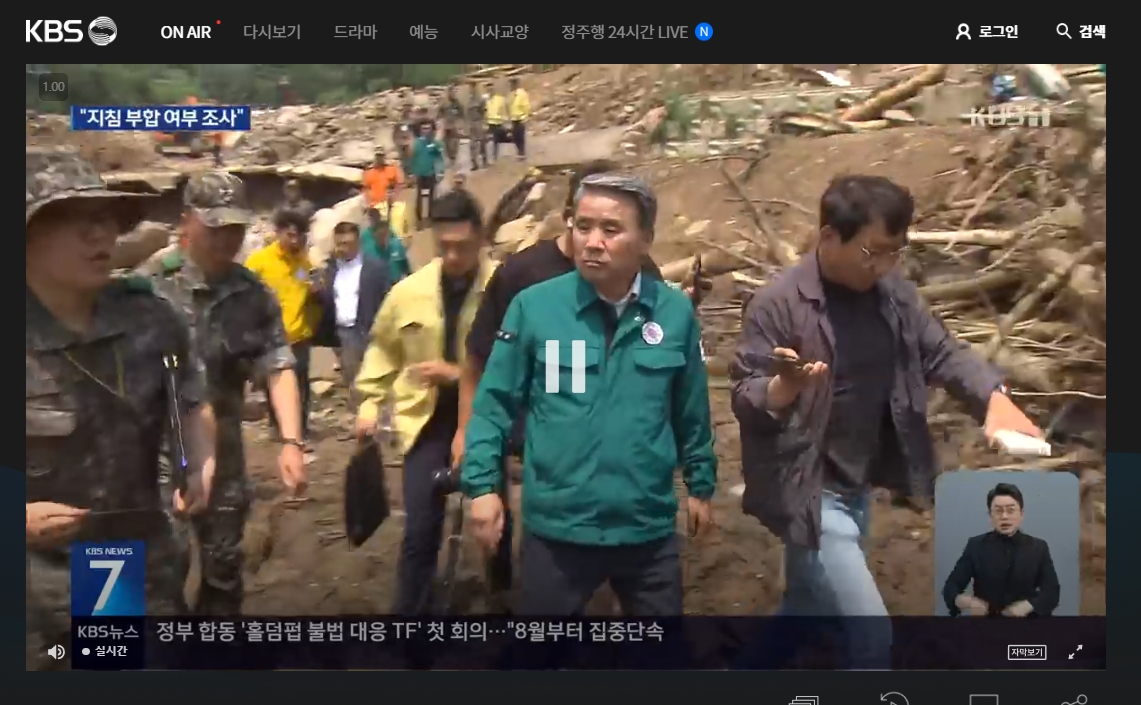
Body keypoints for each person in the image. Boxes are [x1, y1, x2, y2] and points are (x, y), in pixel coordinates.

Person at [729, 174, 1043, 668]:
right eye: (873, 252)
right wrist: (781, 388)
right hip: (805, 488)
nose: (885, 265)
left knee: (807, 605)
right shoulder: (779, 305)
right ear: (829, 236)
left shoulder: (893, 294)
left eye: (895, 252)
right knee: (872, 637)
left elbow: (942, 352)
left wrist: (995, 399)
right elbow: (744, 393)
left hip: (855, 484)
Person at [462, 173, 716, 616]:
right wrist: (482, 487)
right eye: (583, 226)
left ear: (645, 240)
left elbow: (690, 409)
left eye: (611, 229)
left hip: (646, 531)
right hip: (557, 533)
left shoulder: (673, 312)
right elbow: (492, 405)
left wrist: (701, 484)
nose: (592, 242)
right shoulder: (535, 308)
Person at [25, 147, 217, 668]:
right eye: (74, 220)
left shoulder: (151, 320)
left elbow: (189, 401)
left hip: (123, 561)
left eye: (106, 218)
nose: (100, 234)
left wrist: (199, 462)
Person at [150, 171, 308, 614]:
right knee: (157, 572)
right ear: (187, 220)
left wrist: (291, 442)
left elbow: (278, 366)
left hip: (224, 453)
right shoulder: (148, 288)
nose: (227, 239)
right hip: (153, 453)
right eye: (216, 227)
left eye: (236, 228)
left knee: (223, 570)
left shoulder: (252, 295)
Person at [355, 190, 496, 614]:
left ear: (481, 238)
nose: (452, 256)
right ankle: (409, 618)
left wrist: (456, 374)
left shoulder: (504, 290)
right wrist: (369, 404)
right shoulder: (408, 292)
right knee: (419, 530)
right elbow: (383, 349)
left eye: (463, 247)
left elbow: (520, 363)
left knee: (493, 523)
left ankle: (502, 600)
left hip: (488, 420)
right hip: (423, 420)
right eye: (443, 245)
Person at [245, 208, 321, 454]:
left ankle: (301, 430)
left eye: (300, 236)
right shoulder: (259, 262)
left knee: (301, 384)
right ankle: (278, 427)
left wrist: (317, 292)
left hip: (299, 336)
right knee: (272, 383)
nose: (295, 241)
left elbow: (311, 293)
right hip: (270, 337)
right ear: (278, 233)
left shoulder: (305, 263)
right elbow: (243, 293)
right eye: (290, 235)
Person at [942, 482, 1060, 617]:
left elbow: (1052, 592)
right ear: (990, 515)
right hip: (985, 623)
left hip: (1027, 623)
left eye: (1010, 510)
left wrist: (1028, 606)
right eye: (998, 511)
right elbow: (950, 587)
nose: (1004, 516)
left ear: (1021, 514)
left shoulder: (1038, 547)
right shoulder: (976, 545)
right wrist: (965, 602)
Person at [313, 221, 392, 416]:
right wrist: (316, 292)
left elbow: (389, 297)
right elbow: (324, 295)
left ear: (358, 242)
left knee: (375, 380)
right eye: (340, 243)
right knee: (353, 381)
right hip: (344, 333)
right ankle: (361, 419)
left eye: (348, 243)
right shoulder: (331, 268)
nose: (343, 248)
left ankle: (376, 418)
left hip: (370, 330)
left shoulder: (375, 267)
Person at [361, 207, 412, 284]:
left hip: (396, 285)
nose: (384, 238)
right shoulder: (369, 250)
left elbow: (406, 268)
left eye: (386, 235)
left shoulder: (396, 246)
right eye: (381, 236)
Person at [409, 122, 445, 228]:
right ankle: (419, 220)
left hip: (431, 173)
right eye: (424, 128)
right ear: (420, 130)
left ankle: (430, 218)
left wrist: (441, 172)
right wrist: (411, 173)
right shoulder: (416, 143)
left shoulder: (435, 143)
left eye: (428, 128)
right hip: (419, 174)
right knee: (419, 198)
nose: (426, 130)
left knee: (431, 197)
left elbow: (440, 157)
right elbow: (411, 158)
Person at [361, 149, 404, 213]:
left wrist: (395, 197)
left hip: (389, 204)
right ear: (374, 157)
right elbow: (365, 189)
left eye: (381, 156)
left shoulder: (391, 169)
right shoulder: (369, 172)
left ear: (384, 157)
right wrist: (367, 203)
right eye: (377, 156)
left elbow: (399, 185)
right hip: (375, 206)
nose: (379, 158)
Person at [438, 84, 464, 165]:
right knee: (446, 143)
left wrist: (460, 123)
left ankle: (453, 157)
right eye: (450, 91)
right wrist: (440, 120)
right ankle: (450, 157)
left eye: (453, 92)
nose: (452, 93)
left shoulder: (457, 103)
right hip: (446, 125)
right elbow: (439, 112)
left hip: (454, 125)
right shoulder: (444, 103)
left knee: (454, 143)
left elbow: (461, 113)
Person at [485, 84, 509, 163]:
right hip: (490, 123)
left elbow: (504, 110)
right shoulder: (486, 100)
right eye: (488, 90)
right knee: (492, 141)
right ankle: (492, 157)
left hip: (498, 123)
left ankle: (494, 157)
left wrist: (505, 120)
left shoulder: (499, 99)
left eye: (491, 89)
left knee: (496, 141)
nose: (490, 91)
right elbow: (484, 111)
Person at [508, 77, 530, 160]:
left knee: (520, 137)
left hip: (520, 118)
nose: (511, 86)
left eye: (512, 84)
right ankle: (519, 151)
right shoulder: (511, 94)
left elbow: (526, 106)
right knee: (515, 137)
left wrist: (525, 117)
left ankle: (522, 152)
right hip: (513, 119)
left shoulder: (522, 94)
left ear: (516, 84)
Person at [467, 83, 488, 170]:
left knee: (482, 143)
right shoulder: (469, 101)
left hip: (479, 122)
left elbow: (484, 111)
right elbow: (467, 113)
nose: (471, 90)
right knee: (472, 145)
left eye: (472, 88)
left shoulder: (480, 100)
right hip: (472, 123)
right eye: (470, 88)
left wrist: (484, 123)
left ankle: (484, 161)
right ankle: (474, 163)